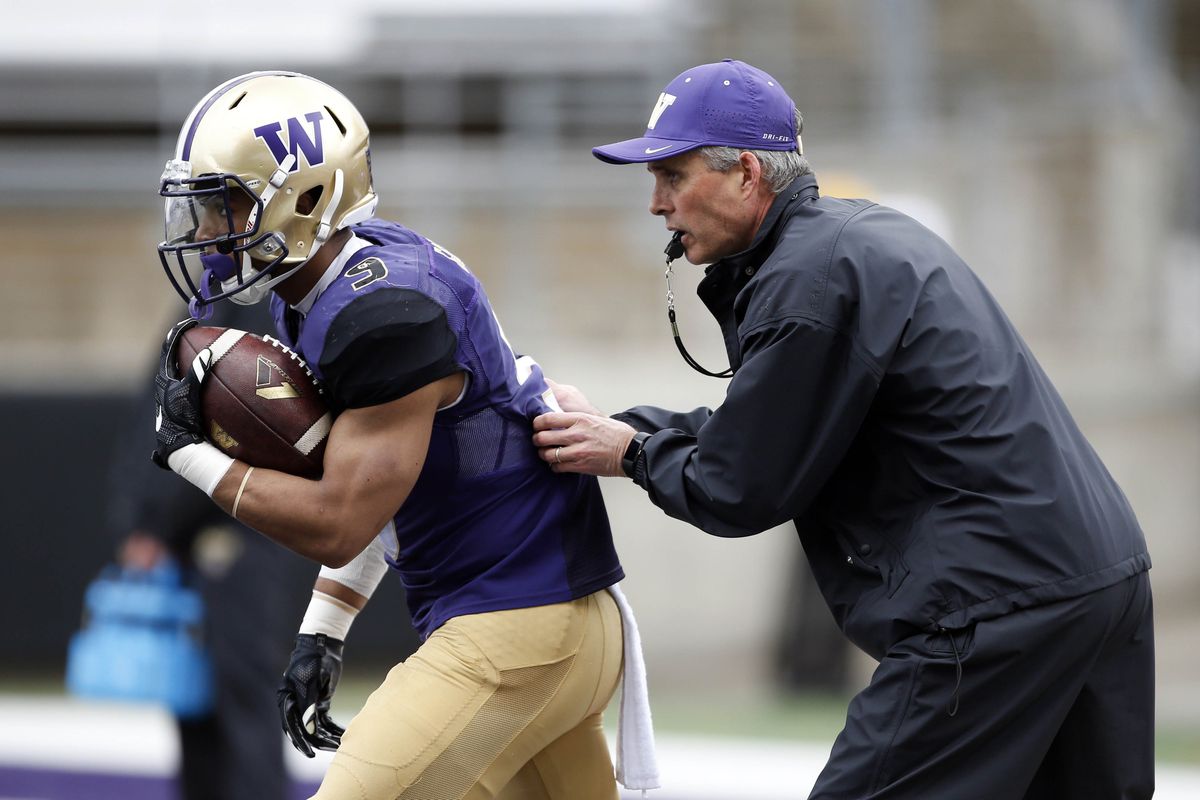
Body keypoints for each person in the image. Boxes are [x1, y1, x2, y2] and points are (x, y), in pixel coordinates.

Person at [531, 59, 1154, 799]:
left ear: (746, 173)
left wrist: (632, 453)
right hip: (1098, 578)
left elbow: (740, 486)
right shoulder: (854, 240)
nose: (657, 204)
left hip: (996, 599)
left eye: (672, 175)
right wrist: (622, 432)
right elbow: (774, 428)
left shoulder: (807, 281)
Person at [149, 71, 656, 799]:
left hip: (520, 626)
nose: (206, 234)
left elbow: (340, 520)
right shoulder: (331, 282)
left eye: (225, 204)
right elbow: (386, 481)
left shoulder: (382, 313)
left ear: (309, 196)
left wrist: (187, 454)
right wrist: (324, 628)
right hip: (553, 619)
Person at [108, 300, 313, 800]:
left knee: (241, 690)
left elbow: (224, 424)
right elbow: (157, 414)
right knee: (194, 693)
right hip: (189, 539)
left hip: (233, 535)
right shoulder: (206, 301)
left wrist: (156, 522)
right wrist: (147, 520)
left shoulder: (251, 307)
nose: (201, 237)